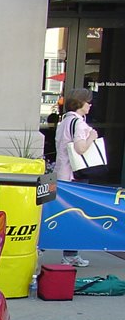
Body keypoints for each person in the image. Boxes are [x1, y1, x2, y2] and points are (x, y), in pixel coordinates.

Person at [54, 87, 101, 267]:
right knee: (76, 216)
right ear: (81, 102)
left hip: (62, 173)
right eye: (88, 101)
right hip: (75, 176)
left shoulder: (65, 121)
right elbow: (81, 148)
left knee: (61, 214)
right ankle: (70, 254)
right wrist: (92, 137)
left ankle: (46, 248)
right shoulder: (79, 123)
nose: (90, 105)